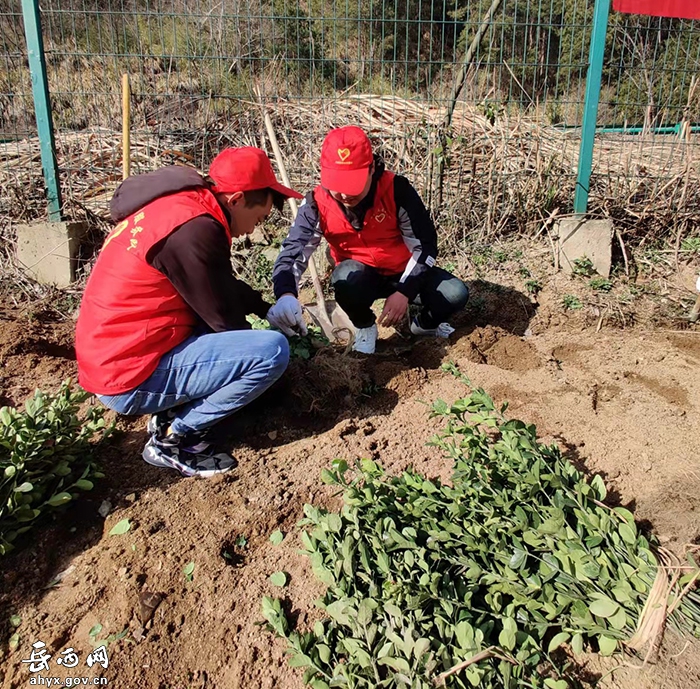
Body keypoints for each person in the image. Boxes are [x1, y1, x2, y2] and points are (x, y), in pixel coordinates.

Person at [75, 147, 304, 478]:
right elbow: (226, 325)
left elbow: (215, 284)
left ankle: (169, 414)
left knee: (243, 343)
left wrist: (266, 308)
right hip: (126, 376)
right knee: (271, 353)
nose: (254, 230)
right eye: (259, 219)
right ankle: (178, 438)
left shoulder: (183, 207)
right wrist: (276, 382)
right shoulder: (195, 231)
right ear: (237, 199)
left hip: (115, 352)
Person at [267, 126, 469, 353]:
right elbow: (293, 252)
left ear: (372, 168)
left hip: (403, 271)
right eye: (337, 186)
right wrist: (285, 293)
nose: (344, 195)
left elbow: (425, 246)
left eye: (352, 184)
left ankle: (423, 325)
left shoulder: (397, 191)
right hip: (361, 278)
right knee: (345, 276)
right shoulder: (316, 203)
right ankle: (364, 325)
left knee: (455, 294)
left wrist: (405, 291)